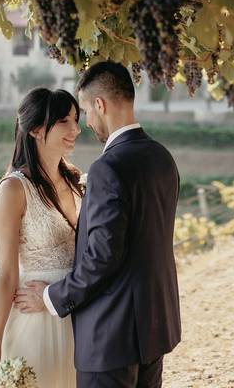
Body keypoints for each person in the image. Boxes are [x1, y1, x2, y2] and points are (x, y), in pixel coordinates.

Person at [15, 61, 182, 388]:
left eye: (86, 113)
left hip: (111, 335)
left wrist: (50, 297)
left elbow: (103, 257)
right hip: (155, 326)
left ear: (100, 105)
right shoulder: (162, 157)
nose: (86, 124)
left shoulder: (109, 167)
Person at [0, 88, 83, 387]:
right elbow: (5, 273)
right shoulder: (14, 190)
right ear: (35, 130)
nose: (76, 129)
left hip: (78, 313)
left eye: (75, 119)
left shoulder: (75, 181)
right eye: (64, 121)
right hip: (36, 323)